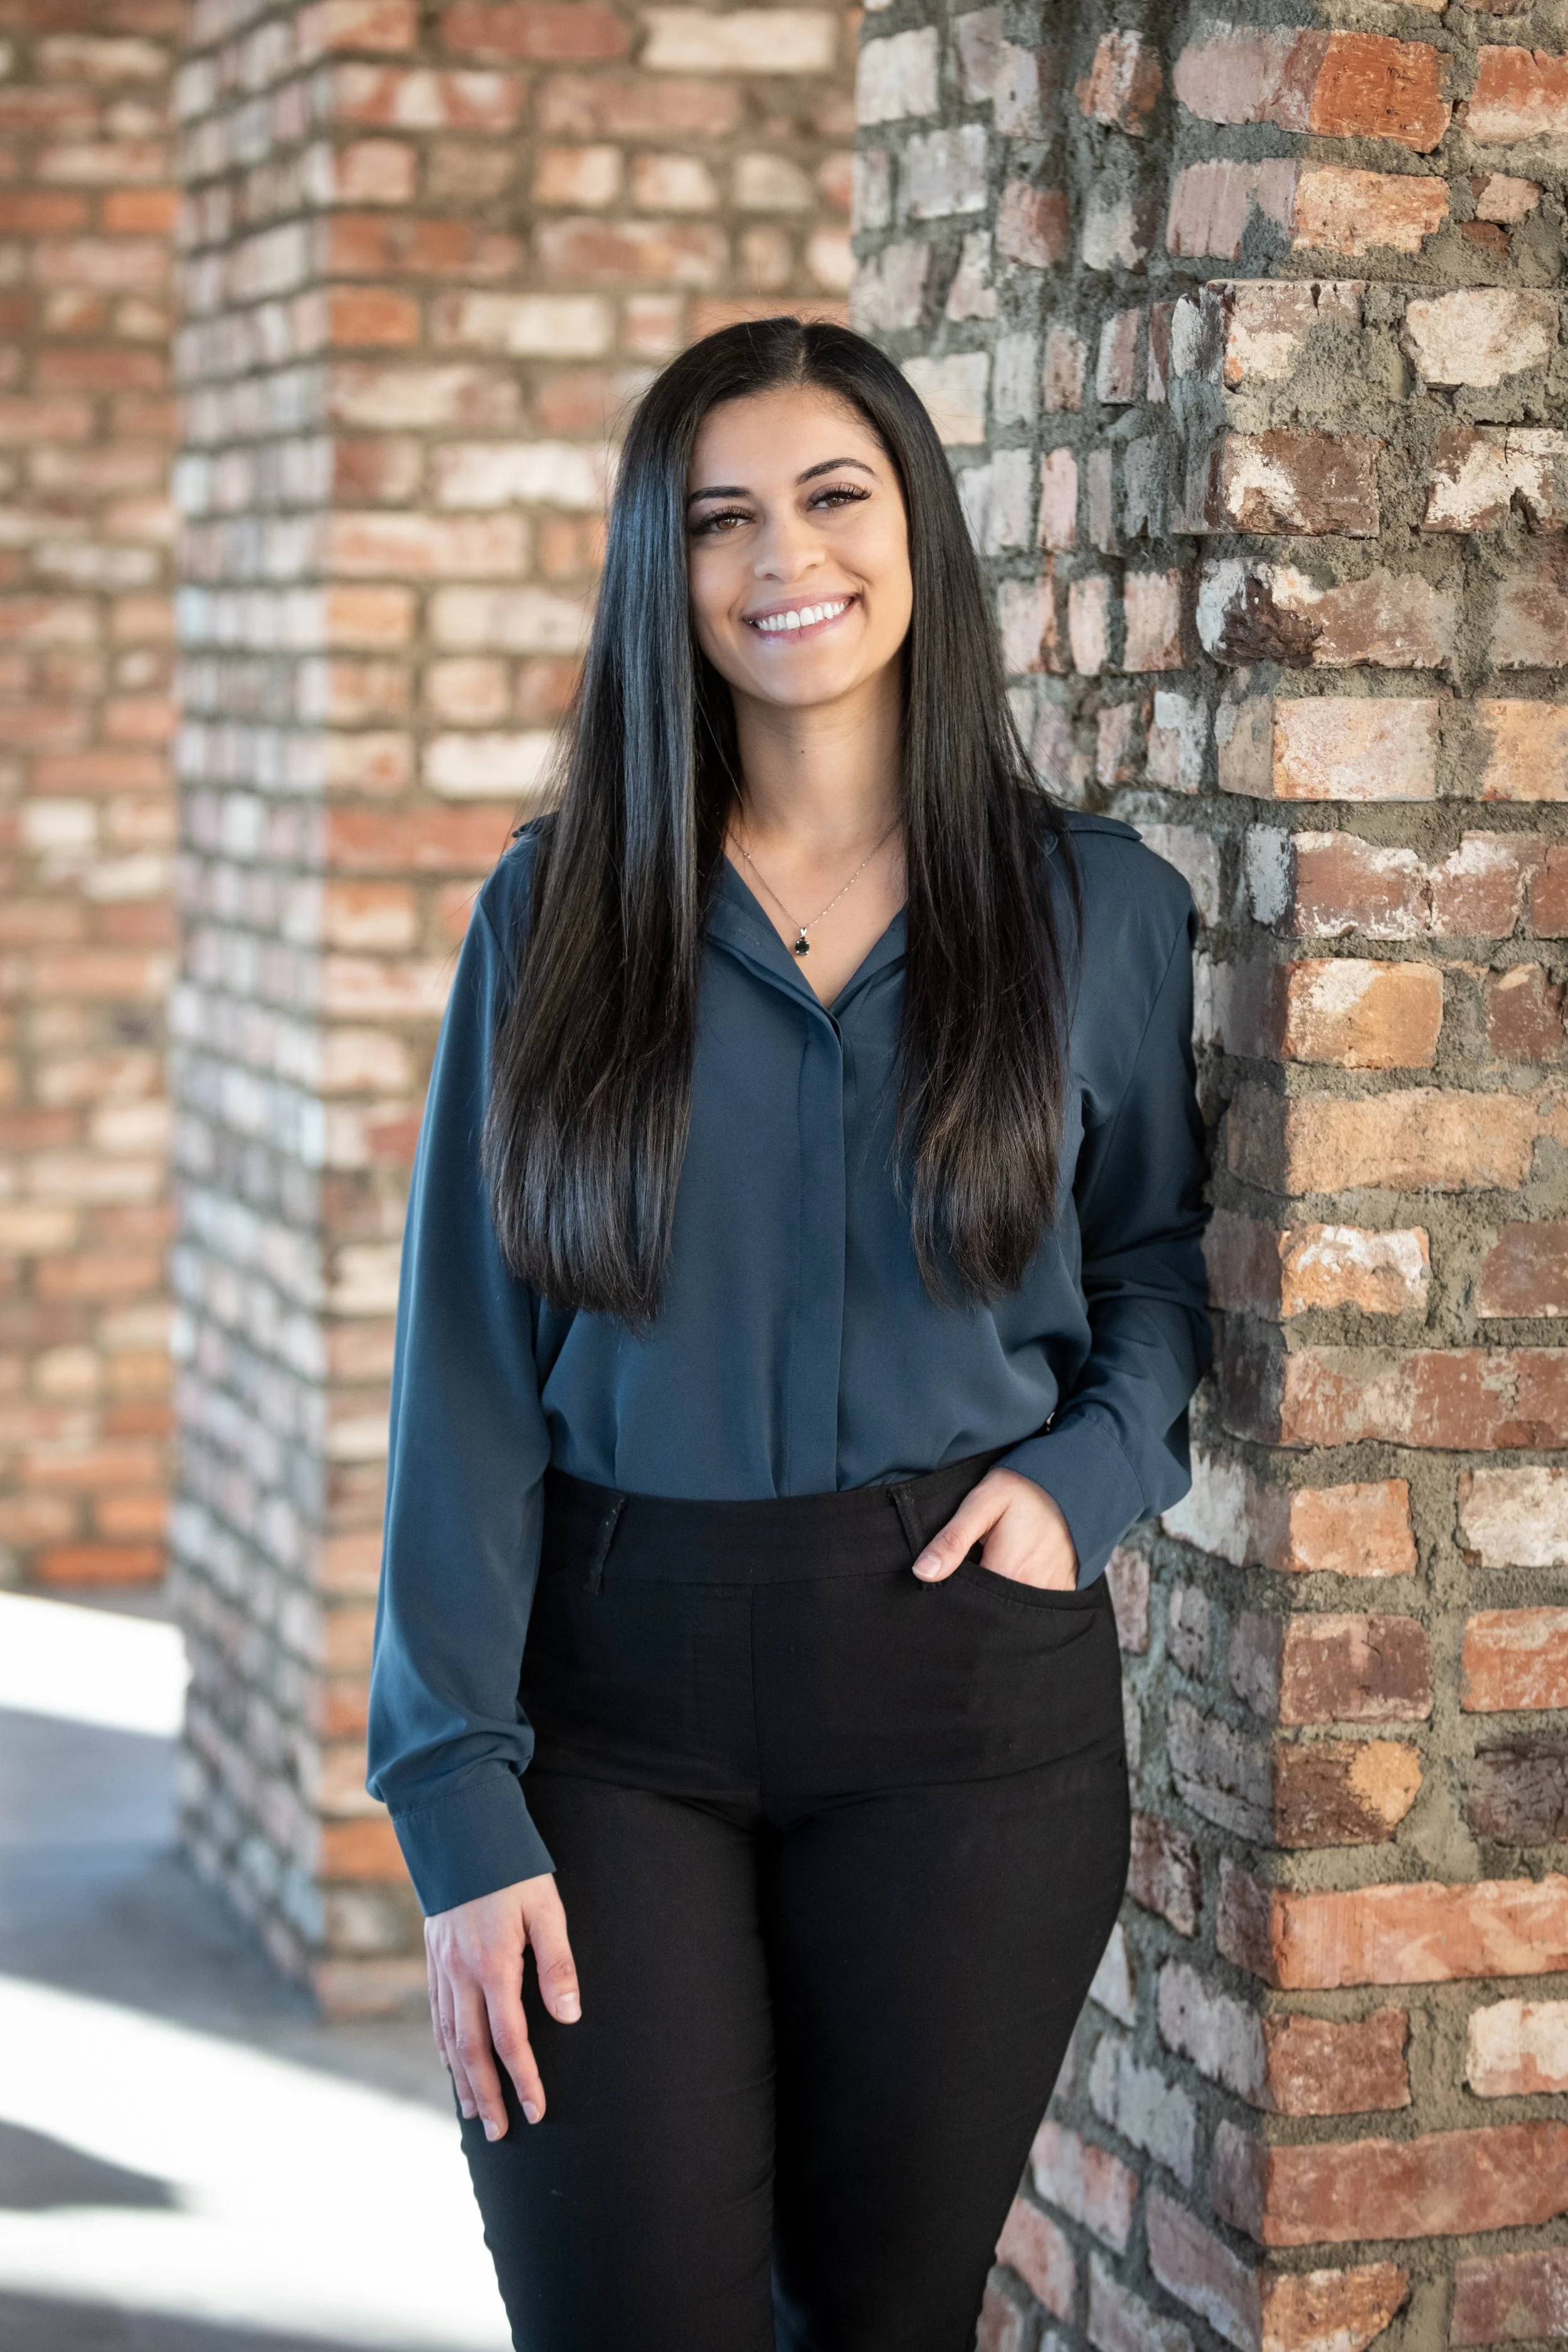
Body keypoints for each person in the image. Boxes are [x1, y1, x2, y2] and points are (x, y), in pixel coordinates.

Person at [366, 315, 1209, 2352]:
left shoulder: (1092, 911)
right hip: (607, 1706)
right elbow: (462, 1376)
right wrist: (456, 1807)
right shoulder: (555, 912)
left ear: (913, 525)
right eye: (719, 516)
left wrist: (1075, 1486)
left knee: (876, 2319)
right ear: (665, 568)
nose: (781, 559)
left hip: (963, 1713)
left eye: (831, 497)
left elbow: (1155, 1272)